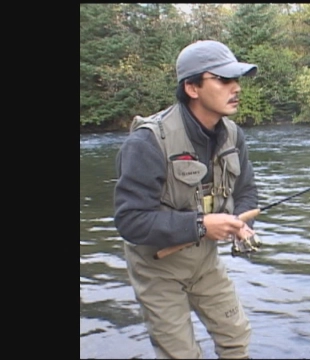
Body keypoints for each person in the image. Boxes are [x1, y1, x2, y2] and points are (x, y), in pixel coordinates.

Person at [113, 40, 260, 359]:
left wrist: (245, 222)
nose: (235, 88)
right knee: (180, 354)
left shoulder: (233, 135)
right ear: (192, 87)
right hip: (157, 267)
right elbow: (130, 221)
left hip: (205, 262)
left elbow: (246, 189)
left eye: (237, 80)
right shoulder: (147, 142)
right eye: (223, 80)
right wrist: (202, 225)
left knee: (237, 340)